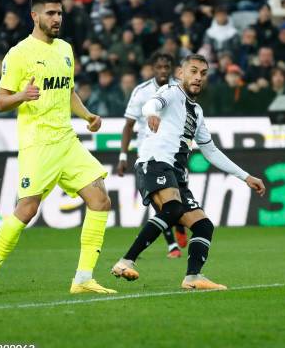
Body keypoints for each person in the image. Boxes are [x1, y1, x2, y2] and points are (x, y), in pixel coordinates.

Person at [0, 0, 116, 295]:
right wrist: (22, 96)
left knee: (100, 199)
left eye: (59, 13)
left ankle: (83, 279)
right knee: (27, 209)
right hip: (38, 144)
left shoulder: (65, 49)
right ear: (35, 16)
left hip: (67, 140)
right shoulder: (19, 53)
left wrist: (88, 115)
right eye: (50, 13)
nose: (57, 19)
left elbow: (68, 91)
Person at [111, 54, 266, 290]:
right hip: (155, 162)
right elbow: (151, 104)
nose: (198, 78)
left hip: (177, 174)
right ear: (180, 74)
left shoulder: (197, 111)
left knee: (203, 225)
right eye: (193, 71)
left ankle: (193, 277)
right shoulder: (171, 93)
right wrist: (151, 113)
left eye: (203, 74)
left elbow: (211, 151)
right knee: (172, 209)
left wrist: (246, 176)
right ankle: (125, 261)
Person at [116, 52, 187, 258]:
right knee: (157, 200)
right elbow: (128, 125)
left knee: (177, 196)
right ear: (152, 69)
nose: (163, 71)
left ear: (172, 68)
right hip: (148, 153)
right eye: (159, 67)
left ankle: (179, 226)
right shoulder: (141, 92)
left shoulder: (179, 90)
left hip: (173, 151)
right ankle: (172, 244)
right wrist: (122, 157)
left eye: (167, 67)